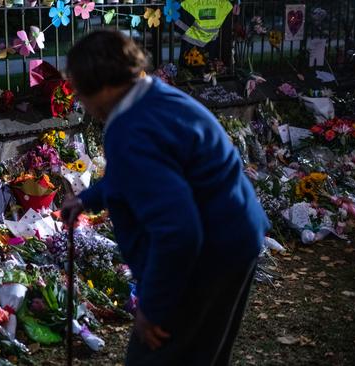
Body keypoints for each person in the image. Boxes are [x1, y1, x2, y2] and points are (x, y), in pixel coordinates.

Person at [61, 30, 270, 366]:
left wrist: (153, 307)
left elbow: (178, 231)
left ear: (100, 84)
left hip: (210, 251)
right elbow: (144, 170)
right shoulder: (152, 97)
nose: (81, 103)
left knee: (160, 357)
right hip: (235, 232)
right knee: (202, 353)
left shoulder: (131, 128)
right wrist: (89, 198)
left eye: (81, 92)